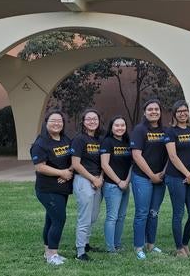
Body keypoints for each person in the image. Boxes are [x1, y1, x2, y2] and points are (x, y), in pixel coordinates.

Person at [30, 111, 73, 266]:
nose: (57, 124)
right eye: (53, 121)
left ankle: (48, 251)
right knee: (59, 219)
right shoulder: (40, 144)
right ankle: (53, 255)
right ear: (46, 123)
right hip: (47, 189)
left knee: (51, 219)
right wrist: (61, 172)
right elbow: (40, 167)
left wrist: (69, 171)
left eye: (60, 121)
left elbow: (73, 158)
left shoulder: (65, 139)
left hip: (63, 188)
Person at [130, 99, 168, 260]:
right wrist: (151, 175)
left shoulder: (165, 130)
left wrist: (162, 173)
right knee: (142, 212)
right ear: (145, 112)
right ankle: (139, 246)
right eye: (150, 109)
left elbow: (170, 154)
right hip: (142, 177)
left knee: (154, 213)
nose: (154, 111)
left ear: (160, 112)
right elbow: (136, 155)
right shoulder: (139, 130)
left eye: (156, 109)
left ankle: (151, 244)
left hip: (161, 178)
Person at [164, 100, 190, 258]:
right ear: (174, 114)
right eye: (179, 111)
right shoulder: (170, 132)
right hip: (175, 177)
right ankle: (179, 249)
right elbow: (172, 156)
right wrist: (187, 174)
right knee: (178, 213)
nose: (183, 113)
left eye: (185, 110)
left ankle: (185, 242)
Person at [72, 108, 104, 261]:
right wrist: (93, 178)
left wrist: (100, 178)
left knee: (93, 216)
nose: (92, 121)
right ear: (83, 122)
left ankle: (85, 243)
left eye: (95, 119)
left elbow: (104, 162)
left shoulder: (100, 139)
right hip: (84, 180)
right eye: (89, 119)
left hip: (98, 181)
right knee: (84, 217)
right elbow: (76, 164)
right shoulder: (79, 139)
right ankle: (80, 252)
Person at [100, 116, 132, 253]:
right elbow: (105, 165)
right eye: (117, 125)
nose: (120, 128)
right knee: (112, 217)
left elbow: (132, 164)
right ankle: (110, 248)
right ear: (111, 128)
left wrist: (126, 181)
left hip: (125, 184)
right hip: (112, 185)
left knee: (121, 216)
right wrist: (119, 182)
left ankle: (117, 244)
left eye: (122, 125)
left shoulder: (127, 142)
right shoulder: (107, 142)